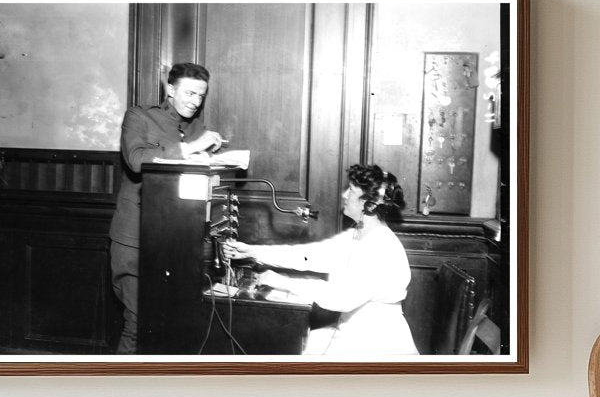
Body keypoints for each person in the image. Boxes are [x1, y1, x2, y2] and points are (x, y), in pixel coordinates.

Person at [223, 164, 418, 357]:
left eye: (350, 190)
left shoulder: (381, 247)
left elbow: (339, 298)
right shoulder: (357, 234)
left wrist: (282, 282)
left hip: (376, 341)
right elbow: (308, 255)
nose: (344, 195)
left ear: (370, 203)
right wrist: (251, 251)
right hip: (353, 330)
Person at [109, 63, 224, 353]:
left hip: (178, 245)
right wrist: (192, 149)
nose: (195, 101)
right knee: (137, 324)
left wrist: (216, 166)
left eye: (201, 95)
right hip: (135, 241)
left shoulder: (199, 128)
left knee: (173, 325)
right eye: (189, 92)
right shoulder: (139, 116)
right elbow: (136, 160)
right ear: (170, 90)